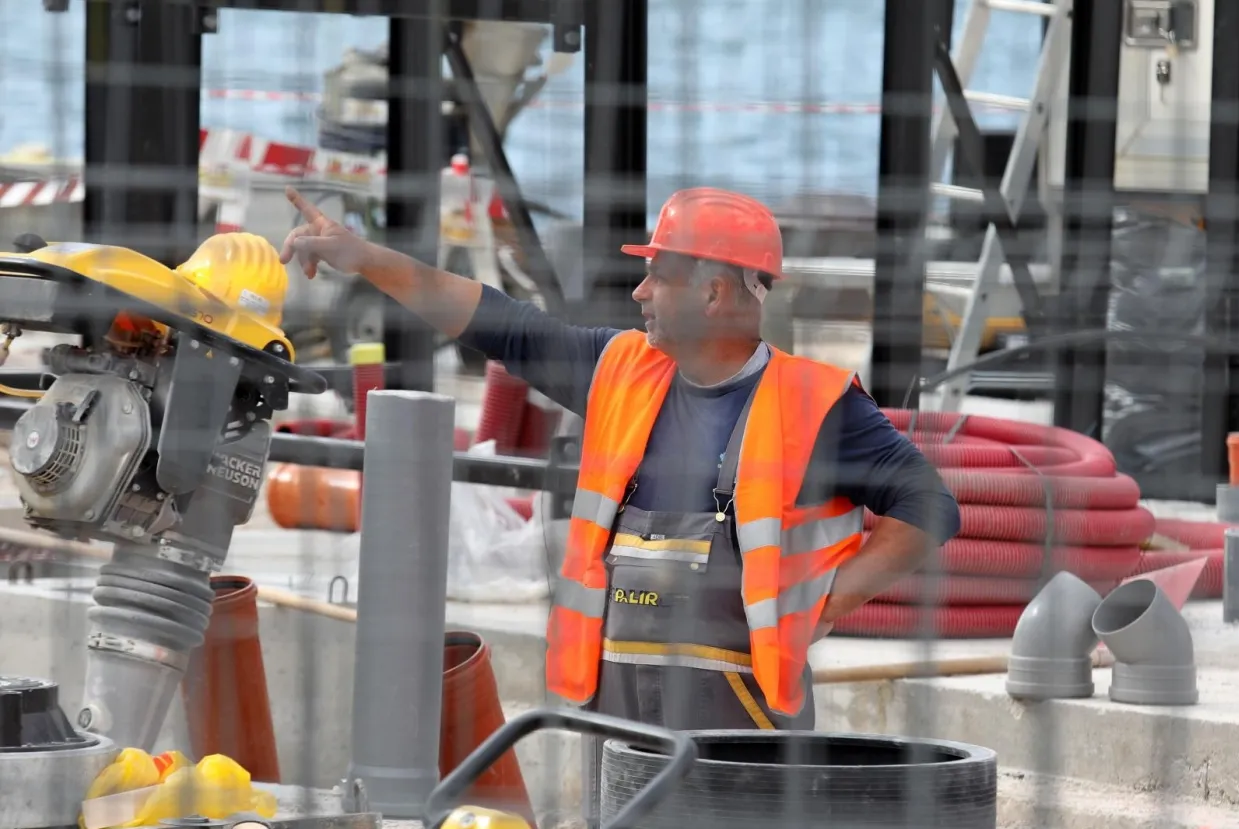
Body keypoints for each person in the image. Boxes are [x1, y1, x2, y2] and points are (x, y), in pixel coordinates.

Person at [280, 183, 960, 806]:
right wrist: (364, 257)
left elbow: (927, 506)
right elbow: (495, 321)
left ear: (713, 293)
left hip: (744, 729)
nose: (639, 292)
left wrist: (828, 601)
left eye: (657, 275)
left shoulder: (815, 405)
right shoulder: (619, 370)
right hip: (614, 720)